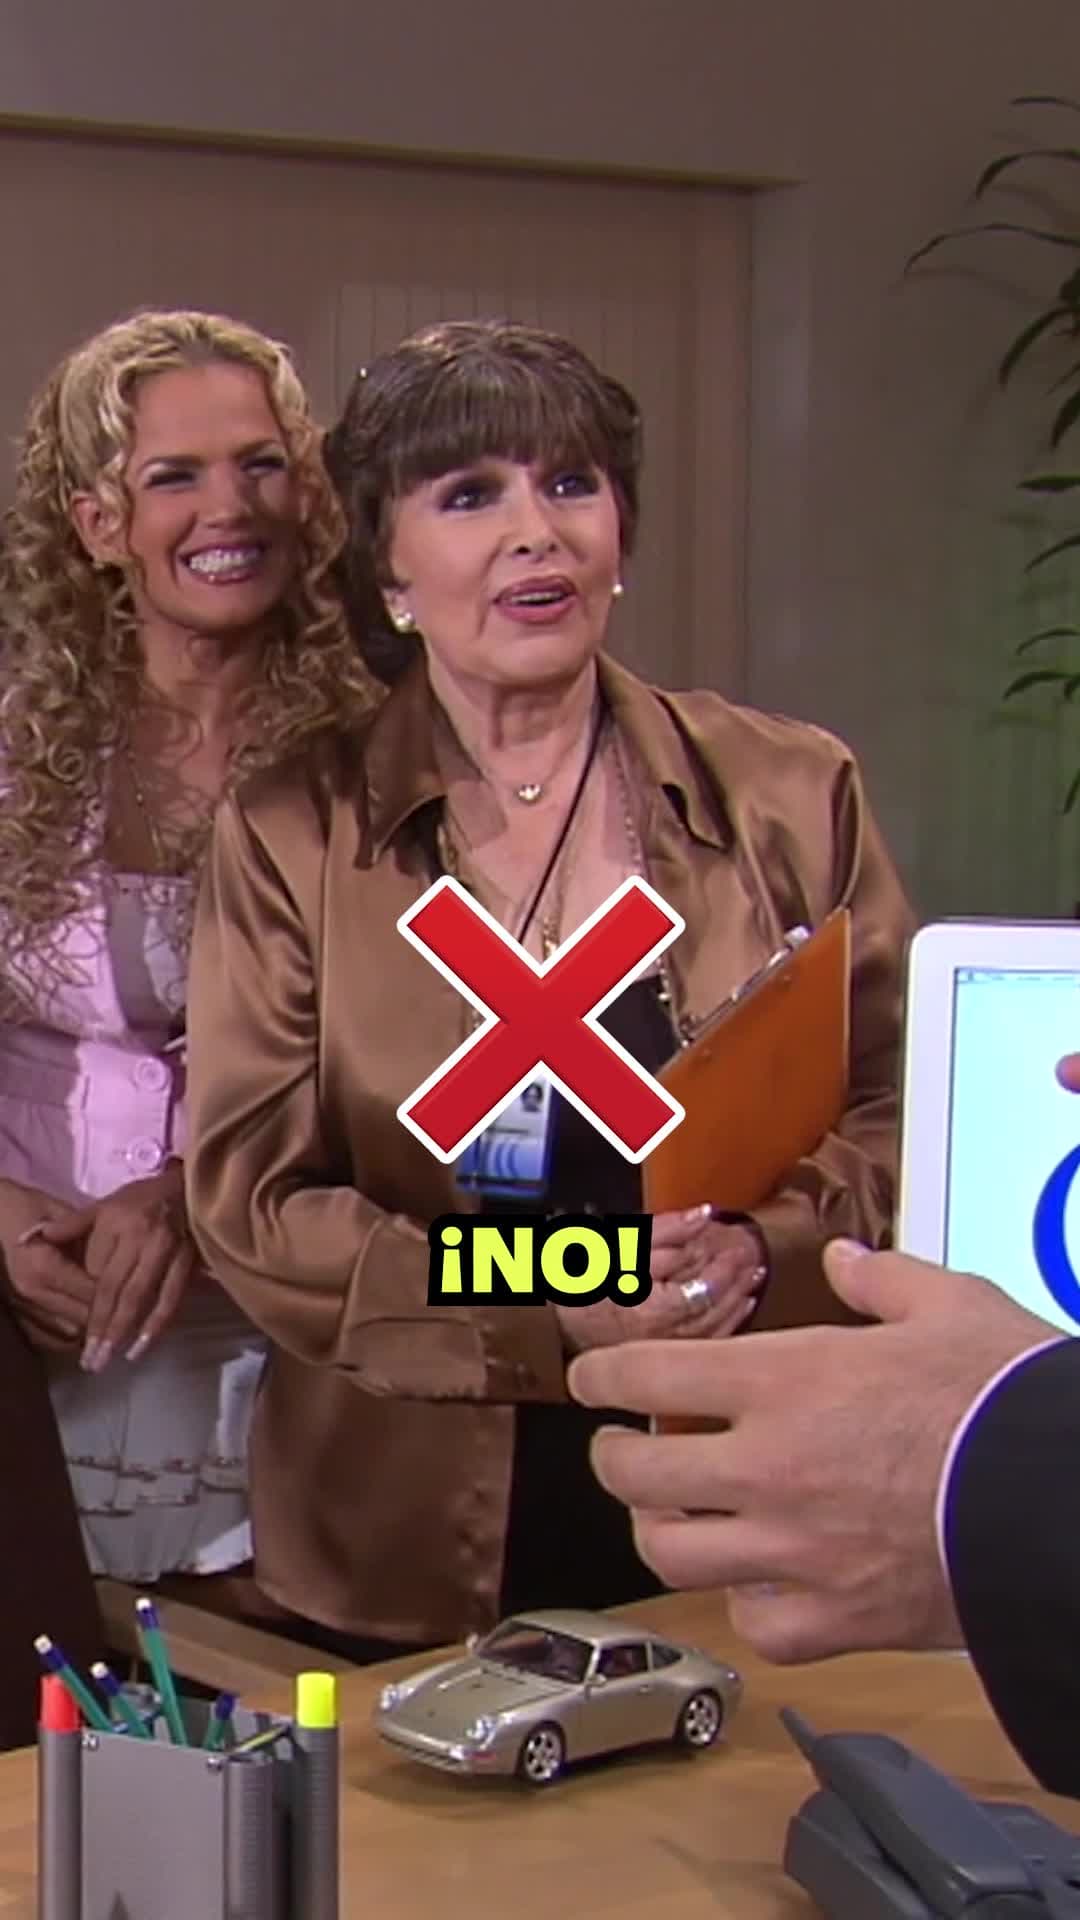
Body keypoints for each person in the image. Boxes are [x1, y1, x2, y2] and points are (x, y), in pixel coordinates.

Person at [184, 317, 913, 1656]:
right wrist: (566, 1290)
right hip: (406, 1528)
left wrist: (767, 1247)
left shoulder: (793, 790)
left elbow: (901, 1106)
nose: (539, 533)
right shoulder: (293, 828)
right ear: (389, 567)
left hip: (749, 1472)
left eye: (571, 484)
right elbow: (257, 1206)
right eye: (472, 495)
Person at [0, 308, 378, 1587]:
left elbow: (397, 1072)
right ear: (98, 523)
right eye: (176, 476)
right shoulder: (14, 742)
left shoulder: (377, 756)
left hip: (273, 1330)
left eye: (261, 464)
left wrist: (186, 1198)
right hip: (27, 1318)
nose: (232, 508)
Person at [569, 1063, 1080, 1794]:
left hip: (782, 1494)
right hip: (454, 1518)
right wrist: (546, 1273)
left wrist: (765, 1243)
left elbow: (890, 1106)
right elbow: (381, 1241)